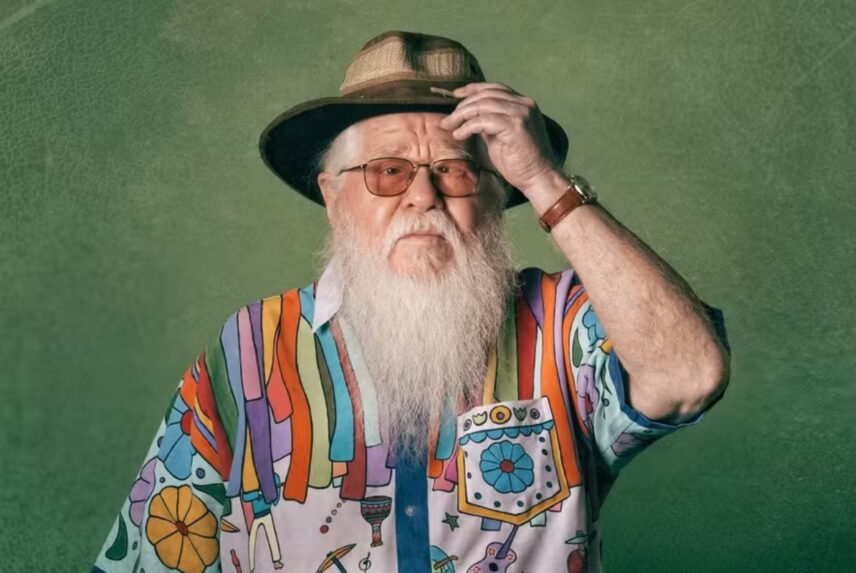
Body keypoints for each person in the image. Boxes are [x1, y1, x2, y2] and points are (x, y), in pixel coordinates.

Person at [92, 30, 731, 573]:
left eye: (455, 170)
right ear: (333, 197)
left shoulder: (564, 325)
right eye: (388, 171)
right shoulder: (246, 351)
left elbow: (690, 375)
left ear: (496, 197)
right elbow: (157, 549)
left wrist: (544, 181)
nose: (423, 197)